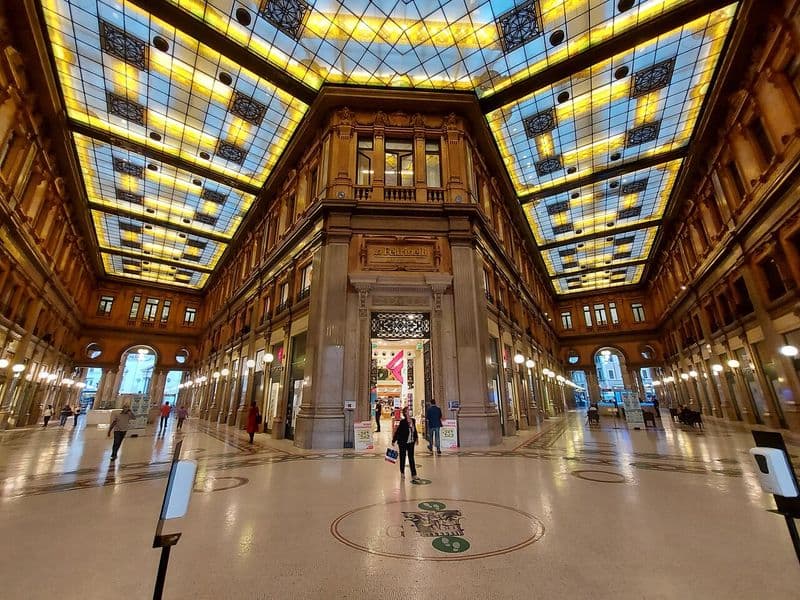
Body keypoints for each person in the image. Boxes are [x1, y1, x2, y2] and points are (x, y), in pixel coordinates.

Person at [391, 407, 419, 482]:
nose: (409, 411)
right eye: (408, 411)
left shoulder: (413, 420)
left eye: (409, 410)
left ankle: (414, 474)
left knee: (411, 458)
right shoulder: (402, 422)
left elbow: (415, 430)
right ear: (405, 413)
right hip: (403, 442)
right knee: (402, 457)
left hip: (411, 442)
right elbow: (398, 432)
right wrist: (394, 440)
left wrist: (416, 438)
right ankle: (402, 472)